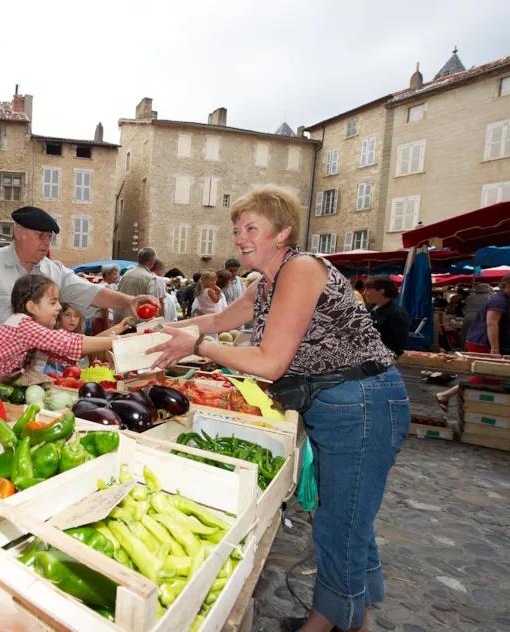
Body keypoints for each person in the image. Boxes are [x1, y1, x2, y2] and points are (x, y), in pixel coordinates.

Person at [146, 186, 406, 632]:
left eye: (252, 228)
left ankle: (327, 622)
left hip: (362, 402)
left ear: (283, 232)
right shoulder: (263, 281)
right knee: (349, 516)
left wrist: (200, 345)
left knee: (338, 524)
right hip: (338, 405)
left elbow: (270, 361)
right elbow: (214, 321)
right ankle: (356, 617)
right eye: (236, 229)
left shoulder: (301, 269)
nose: (241, 237)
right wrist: (158, 329)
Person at [0, 206, 158, 342]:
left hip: (32, 369)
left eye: (49, 237)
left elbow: (91, 292)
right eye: (41, 236)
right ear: (18, 233)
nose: (46, 242)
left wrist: (129, 300)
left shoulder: (52, 270)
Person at [0, 275, 120, 386]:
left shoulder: (25, 327)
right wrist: (117, 341)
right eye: (53, 302)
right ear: (32, 307)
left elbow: (63, 354)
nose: (59, 307)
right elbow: (70, 343)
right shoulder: (25, 326)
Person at [435, 273, 510, 411]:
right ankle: (446, 395)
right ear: (509, 283)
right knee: (486, 376)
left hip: (488, 342)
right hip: (483, 343)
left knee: (491, 378)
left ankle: (484, 408)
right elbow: (492, 323)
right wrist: (495, 349)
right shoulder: (499, 301)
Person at [44, 304, 132, 374]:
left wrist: (115, 329)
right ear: (59, 317)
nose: (73, 319)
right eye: (67, 315)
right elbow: (88, 344)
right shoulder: (55, 336)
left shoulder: (75, 335)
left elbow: (93, 341)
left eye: (77, 315)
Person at [364, 276, 411, 357]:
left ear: (381, 291)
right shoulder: (369, 307)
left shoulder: (397, 313)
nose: (364, 293)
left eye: (368, 290)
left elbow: (398, 343)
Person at [116, 248, 167, 321]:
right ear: (153, 261)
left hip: (121, 321)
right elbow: (153, 305)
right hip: (138, 323)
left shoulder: (126, 274)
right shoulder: (151, 278)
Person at [91, 263, 120, 335]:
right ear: (107, 274)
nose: (117, 276)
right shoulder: (106, 287)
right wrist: (106, 325)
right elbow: (105, 309)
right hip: (102, 320)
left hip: (97, 319)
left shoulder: (101, 285)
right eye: (114, 274)